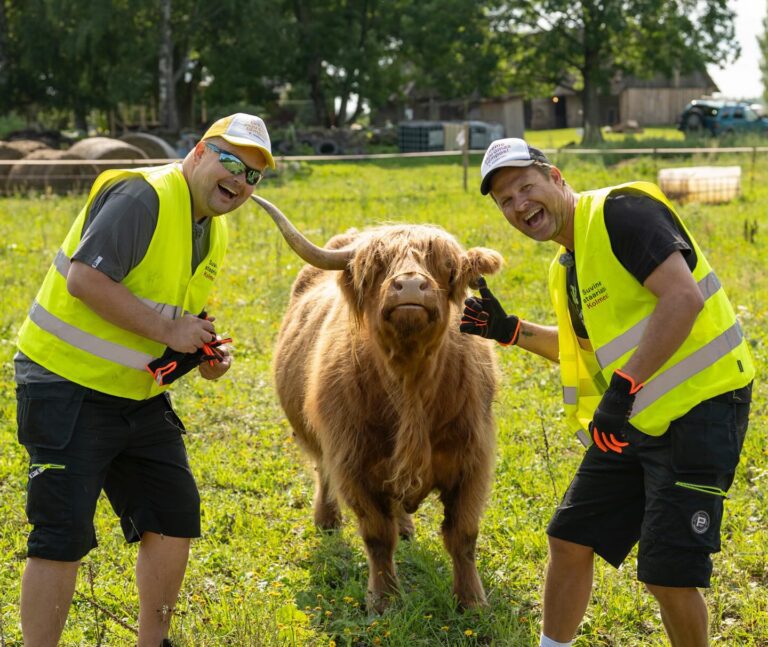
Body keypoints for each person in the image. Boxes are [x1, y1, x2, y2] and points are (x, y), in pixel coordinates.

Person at [460, 138, 754, 647]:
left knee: (667, 573)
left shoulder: (622, 213)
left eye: (525, 187)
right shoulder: (566, 268)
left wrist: (623, 390)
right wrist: (509, 330)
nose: (519, 206)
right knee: (569, 538)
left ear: (555, 178)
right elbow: (587, 351)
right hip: (633, 417)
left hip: (701, 410)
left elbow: (682, 300)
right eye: (505, 201)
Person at [14, 113, 275, 647]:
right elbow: (87, 280)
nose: (241, 181)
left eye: (254, 176)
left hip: (135, 394)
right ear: (198, 153)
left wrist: (200, 351)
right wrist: (166, 328)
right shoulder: (144, 197)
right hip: (65, 385)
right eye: (231, 162)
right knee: (61, 535)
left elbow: (171, 316)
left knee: (174, 514)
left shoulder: (212, 230)